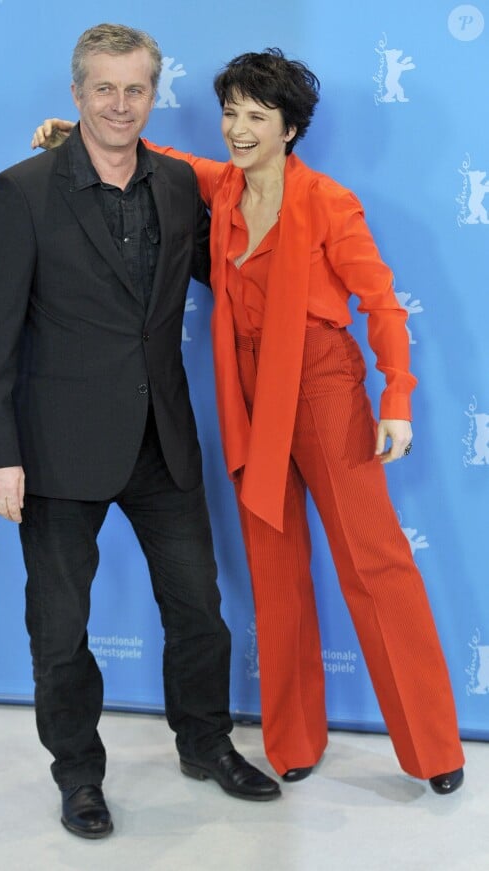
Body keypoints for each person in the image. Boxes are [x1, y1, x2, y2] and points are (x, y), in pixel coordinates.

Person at [33, 47, 465, 795]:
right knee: (274, 570)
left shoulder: (329, 201)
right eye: (230, 111)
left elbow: (384, 306)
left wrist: (397, 398)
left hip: (325, 390)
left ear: (290, 129)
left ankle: (434, 747)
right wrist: (71, 135)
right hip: (247, 395)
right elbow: (154, 151)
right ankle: (293, 738)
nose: (236, 128)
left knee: (376, 565)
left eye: (255, 116)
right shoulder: (221, 187)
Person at [0, 24, 281, 842]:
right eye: (102, 88)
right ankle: (79, 776)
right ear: (75, 95)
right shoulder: (22, 189)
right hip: (58, 447)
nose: (119, 104)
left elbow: (238, 263)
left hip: (162, 439)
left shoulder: (179, 186)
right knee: (61, 628)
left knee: (201, 613)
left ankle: (205, 743)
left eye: (134, 88)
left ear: (153, 93)